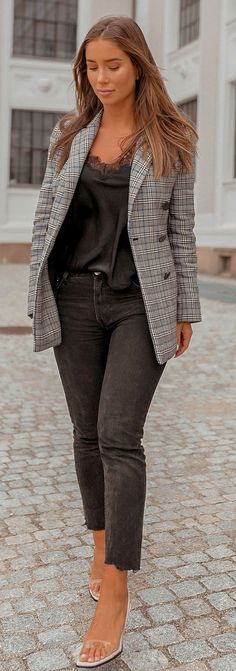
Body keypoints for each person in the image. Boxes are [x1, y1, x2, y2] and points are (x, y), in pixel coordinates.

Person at [27, 14, 202, 668]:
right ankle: (100, 543)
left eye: (113, 66)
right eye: (92, 67)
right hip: (74, 296)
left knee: (119, 434)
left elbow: (181, 233)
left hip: (138, 301)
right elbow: (48, 215)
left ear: (138, 67)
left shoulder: (173, 138)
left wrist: (185, 307)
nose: (101, 77)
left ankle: (117, 588)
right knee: (85, 432)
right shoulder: (69, 133)